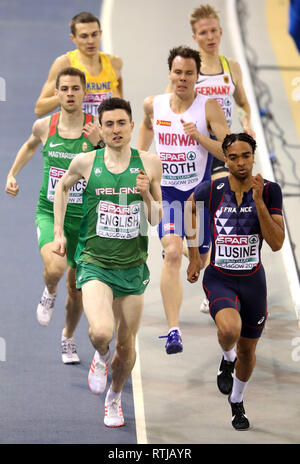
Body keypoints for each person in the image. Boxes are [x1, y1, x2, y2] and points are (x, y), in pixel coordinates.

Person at [53, 97, 162, 427]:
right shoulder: (86, 162)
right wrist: (58, 231)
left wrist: (146, 194)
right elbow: (61, 186)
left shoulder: (149, 164)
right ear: (100, 128)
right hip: (95, 263)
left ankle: (114, 398)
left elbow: (157, 218)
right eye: (109, 124)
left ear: (132, 126)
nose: (116, 129)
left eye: (121, 123)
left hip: (132, 269)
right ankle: (100, 357)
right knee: (102, 333)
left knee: (126, 347)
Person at [186, 133, 285, 430]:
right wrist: (195, 255)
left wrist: (258, 203)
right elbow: (190, 208)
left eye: (246, 156)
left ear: (253, 157)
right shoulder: (213, 189)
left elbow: (277, 242)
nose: (240, 163)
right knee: (230, 330)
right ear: (225, 159)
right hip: (220, 278)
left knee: (248, 351)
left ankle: (236, 401)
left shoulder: (269, 191)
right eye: (233, 157)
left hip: (254, 281)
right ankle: (226, 357)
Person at [138, 45, 230, 355]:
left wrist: (200, 137)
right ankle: (173, 330)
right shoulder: (155, 104)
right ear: (170, 73)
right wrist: (138, 162)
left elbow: (228, 154)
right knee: (173, 253)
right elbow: (146, 132)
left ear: (196, 76)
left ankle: (200, 260)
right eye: (178, 72)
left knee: (198, 261)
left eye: (189, 73)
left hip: (199, 197)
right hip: (170, 195)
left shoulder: (209, 108)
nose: (183, 78)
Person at [5, 67, 101, 364]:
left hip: (85, 222)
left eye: (76, 88)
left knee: (77, 289)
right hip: (50, 212)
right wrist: (11, 174)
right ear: (56, 93)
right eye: (65, 89)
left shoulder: (96, 128)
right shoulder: (45, 126)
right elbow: (30, 146)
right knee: (56, 270)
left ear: (85, 93)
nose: (70, 94)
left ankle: (68, 338)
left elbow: (112, 165)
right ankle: (48, 291)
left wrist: (99, 142)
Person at [190, 4, 256, 313]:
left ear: (220, 31)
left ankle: (215, 284)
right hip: (205, 150)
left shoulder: (232, 67)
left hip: (230, 149)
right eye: (203, 32)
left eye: (214, 30)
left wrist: (248, 123)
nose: (210, 36)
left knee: (227, 213)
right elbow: (173, 104)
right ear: (195, 36)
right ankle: (201, 260)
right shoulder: (192, 69)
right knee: (207, 216)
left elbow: (243, 102)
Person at [35, 11, 123, 118]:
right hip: (77, 131)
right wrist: (67, 95)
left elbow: (120, 98)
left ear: (100, 34)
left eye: (94, 34)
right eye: (84, 36)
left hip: (105, 131)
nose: (90, 41)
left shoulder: (115, 63)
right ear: (73, 38)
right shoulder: (64, 64)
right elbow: (39, 109)